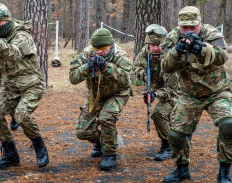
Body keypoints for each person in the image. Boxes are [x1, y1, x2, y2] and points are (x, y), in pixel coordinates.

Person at [161, 6, 232, 183]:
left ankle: (224, 172)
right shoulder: (172, 37)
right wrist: (177, 51)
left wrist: (201, 49)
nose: (188, 31)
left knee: (229, 125)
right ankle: (182, 170)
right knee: (175, 134)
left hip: (217, 92)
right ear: (179, 26)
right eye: (184, 28)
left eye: (192, 27)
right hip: (189, 95)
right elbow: (164, 66)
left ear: (200, 24)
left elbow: (222, 56)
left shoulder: (211, 33)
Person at [0, 3, 49, 169]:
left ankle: (38, 144)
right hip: (10, 86)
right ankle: (10, 154)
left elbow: (14, 55)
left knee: (21, 116)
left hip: (31, 85)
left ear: (8, 20)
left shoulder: (22, 35)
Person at [69, 28, 132, 171]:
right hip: (96, 94)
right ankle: (101, 141)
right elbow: (72, 77)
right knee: (83, 132)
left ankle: (109, 153)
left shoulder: (120, 55)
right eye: (95, 47)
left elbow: (127, 80)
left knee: (107, 117)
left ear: (110, 45)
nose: (99, 51)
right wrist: (87, 67)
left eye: (103, 47)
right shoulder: (87, 53)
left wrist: (106, 67)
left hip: (117, 93)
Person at [133, 24, 179, 161]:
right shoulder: (145, 52)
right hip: (159, 88)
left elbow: (171, 90)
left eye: (159, 45)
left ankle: (168, 145)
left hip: (179, 92)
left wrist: (155, 94)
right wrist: (144, 75)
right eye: (152, 45)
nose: (155, 48)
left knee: (159, 113)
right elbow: (136, 68)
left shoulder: (171, 56)